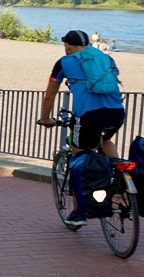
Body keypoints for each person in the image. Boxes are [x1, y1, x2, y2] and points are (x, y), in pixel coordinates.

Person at [39, 29, 126, 228]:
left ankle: (79, 213)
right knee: (105, 140)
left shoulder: (64, 62)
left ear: (68, 45)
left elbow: (50, 95)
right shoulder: (105, 57)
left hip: (89, 115)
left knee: (79, 158)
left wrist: (45, 119)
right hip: (116, 112)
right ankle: (120, 181)